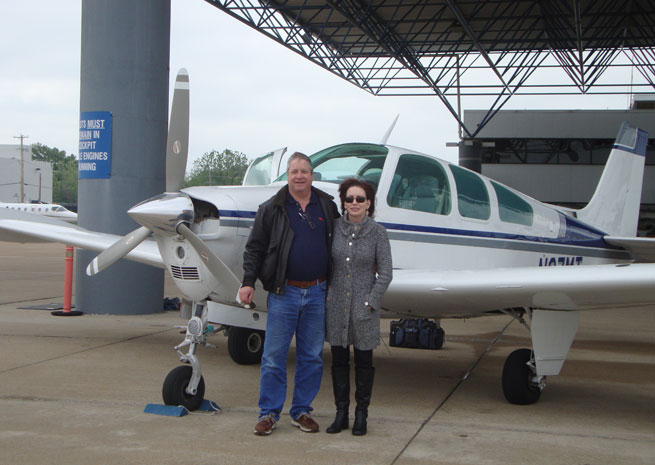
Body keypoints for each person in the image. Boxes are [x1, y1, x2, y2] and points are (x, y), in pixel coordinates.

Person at [239, 152, 340, 436]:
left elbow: (341, 243)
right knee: (273, 357)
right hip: (284, 293)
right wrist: (248, 282)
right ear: (287, 174)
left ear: (311, 175)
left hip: (318, 292)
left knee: (311, 357)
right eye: (294, 171)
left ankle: (301, 411)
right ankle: (269, 413)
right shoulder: (272, 208)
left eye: (304, 171)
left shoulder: (327, 206)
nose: (299, 176)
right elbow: (254, 248)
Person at [325, 178, 392, 436]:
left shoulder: (378, 233)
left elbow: (385, 272)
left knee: (364, 361)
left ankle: (361, 414)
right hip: (336, 306)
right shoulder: (333, 229)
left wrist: (371, 302)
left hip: (365, 309)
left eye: (360, 199)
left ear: (369, 203)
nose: (354, 203)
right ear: (343, 202)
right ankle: (341, 413)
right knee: (338, 360)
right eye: (350, 198)